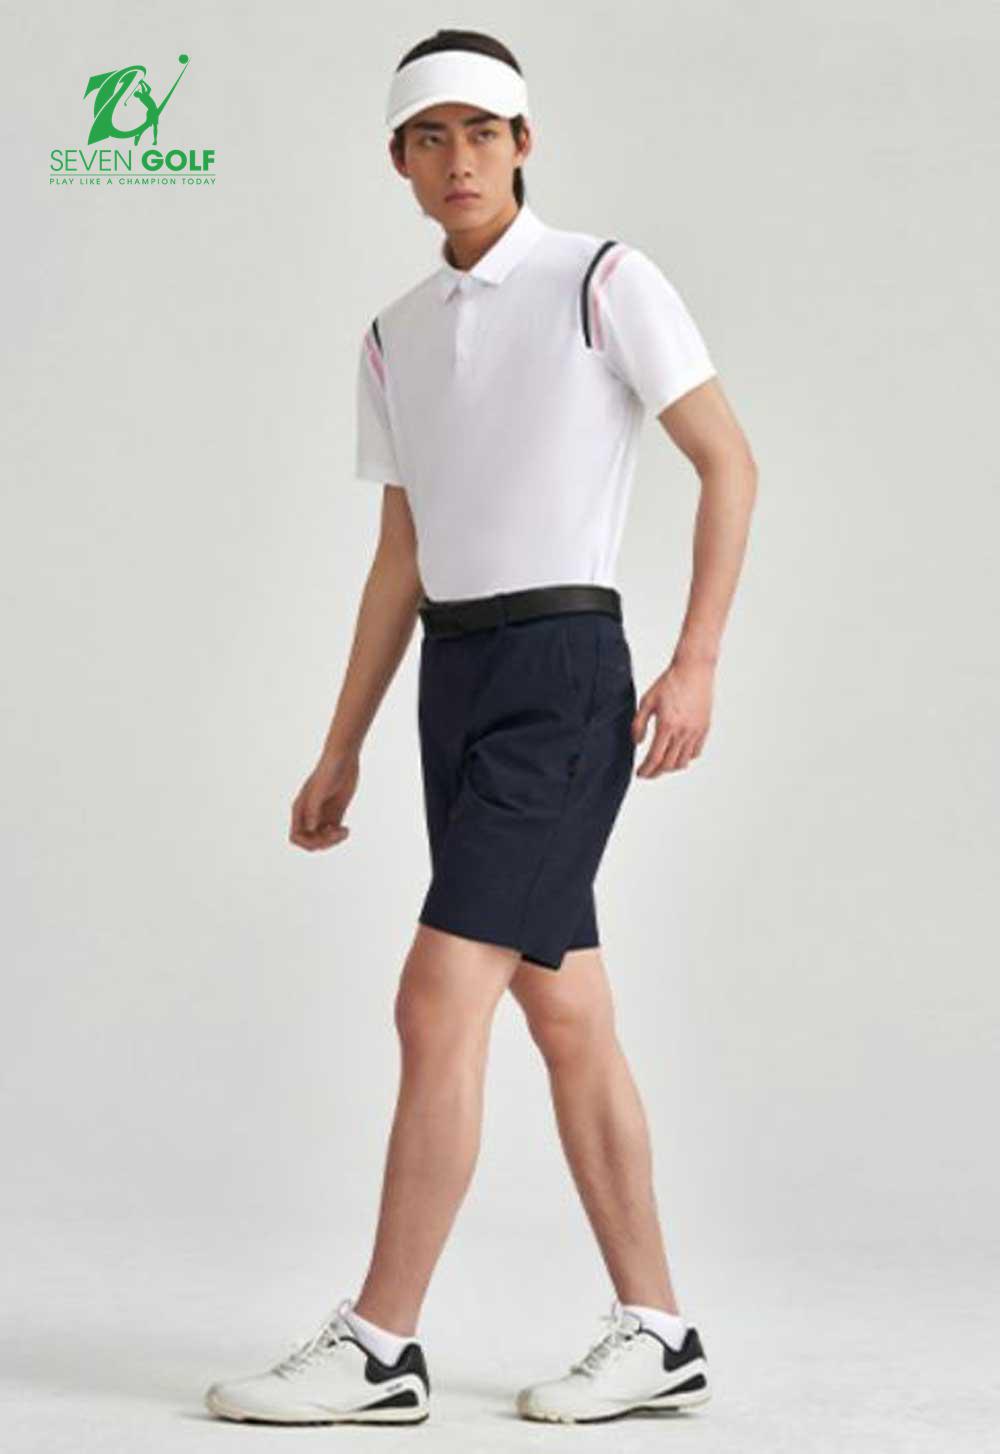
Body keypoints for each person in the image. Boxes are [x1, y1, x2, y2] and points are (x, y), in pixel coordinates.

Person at [204, 27, 757, 1428]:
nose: (460, 158)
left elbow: (728, 462)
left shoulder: (602, 281)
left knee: (435, 992)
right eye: (431, 136)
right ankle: (661, 1332)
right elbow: (402, 553)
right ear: (398, 160)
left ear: (525, 143)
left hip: (565, 671)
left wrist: (695, 660)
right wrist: (342, 742)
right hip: (454, 680)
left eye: (484, 131)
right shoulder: (394, 334)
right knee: (566, 1009)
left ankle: (380, 1345)